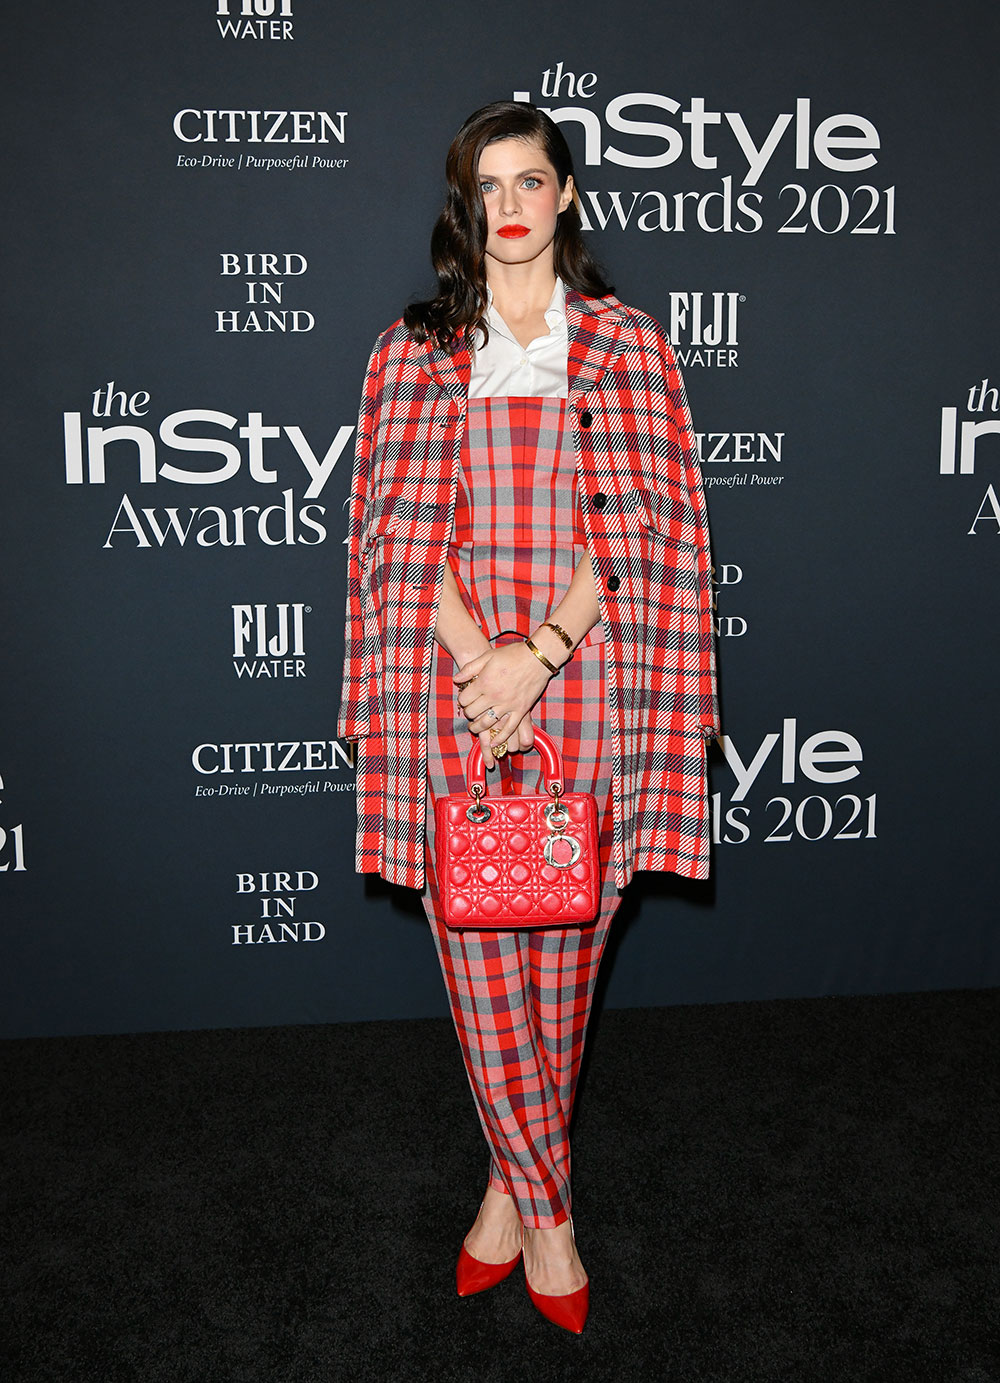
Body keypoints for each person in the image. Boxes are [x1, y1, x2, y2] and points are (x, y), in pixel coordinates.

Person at [338, 100, 718, 1334]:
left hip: (595, 680)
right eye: (485, 184)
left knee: (565, 958)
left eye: (530, 180)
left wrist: (541, 654)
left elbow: (650, 531)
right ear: (465, 205)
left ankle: (507, 1191)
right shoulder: (411, 350)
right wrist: (483, 665)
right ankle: (551, 1214)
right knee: (478, 957)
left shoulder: (626, 345)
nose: (509, 204)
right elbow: (392, 532)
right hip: (456, 689)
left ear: (566, 196)